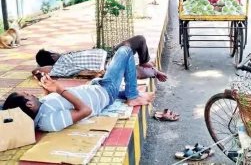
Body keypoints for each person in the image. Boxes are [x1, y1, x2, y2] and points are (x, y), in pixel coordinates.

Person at [2, 46, 154, 132]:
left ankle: (130, 94)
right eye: (28, 94)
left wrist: (48, 88)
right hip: (105, 92)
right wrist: (59, 89)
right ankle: (132, 96)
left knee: (124, 71)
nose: (31, 94)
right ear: (29, 104)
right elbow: (85, 111)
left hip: (96, 87)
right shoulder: (47, 122)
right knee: (125, 51)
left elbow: (55, 101)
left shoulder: (40, 107)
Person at [34, 35, 167, 82]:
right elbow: (36, 71)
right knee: (134, 71)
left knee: (140, 39)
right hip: (109, 66)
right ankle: (154, 72)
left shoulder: (66, 56)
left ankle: (145, 62)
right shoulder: (58, 67)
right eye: (54, 52)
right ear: (52, 55)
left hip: (110, 53)